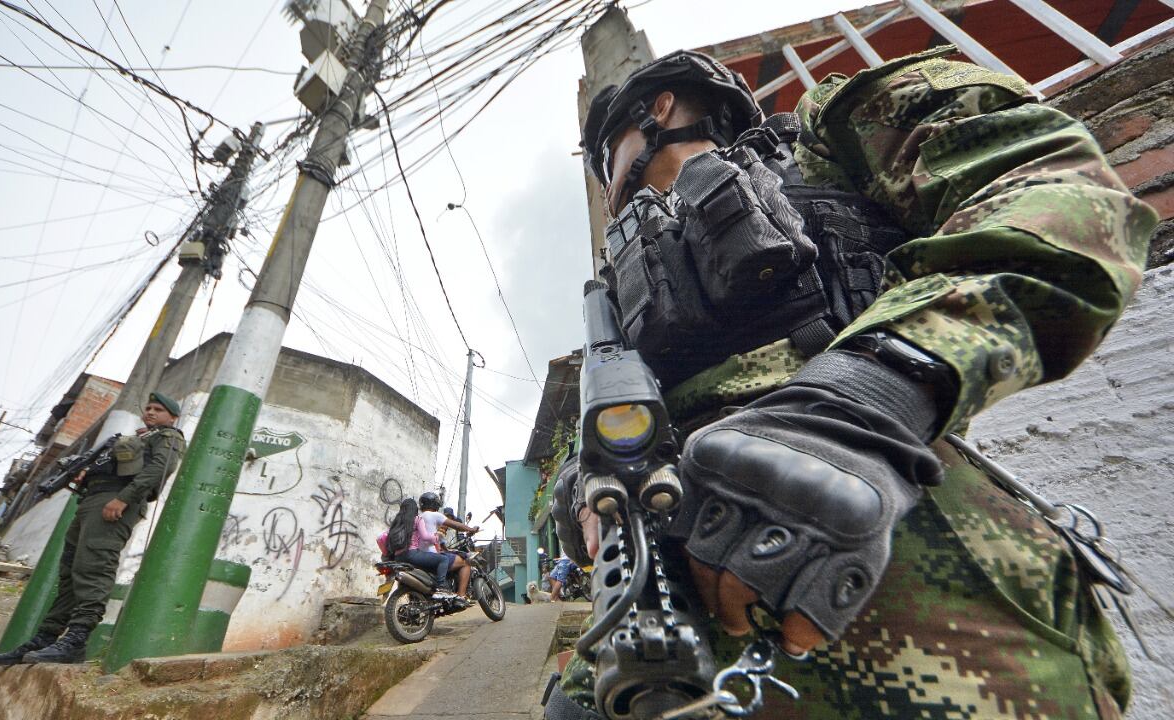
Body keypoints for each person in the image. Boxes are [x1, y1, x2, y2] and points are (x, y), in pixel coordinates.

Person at [547, 47, 1155, 719]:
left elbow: (1057, 192)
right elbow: (609, 429)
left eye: (607, 158)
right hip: (661, 601)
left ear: (658, 109)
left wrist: (871, 396)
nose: (607, 188)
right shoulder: (619, 289)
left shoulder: (817, 140)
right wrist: (584, 486)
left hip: (884, 550)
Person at [0, 392, 186, 666]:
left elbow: (158, 469)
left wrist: (123, 499)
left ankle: (77, 640)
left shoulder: (169, 437)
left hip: (114, 502)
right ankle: (46, 637)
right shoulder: (139, 437)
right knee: (71, 571)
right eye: (149, 408)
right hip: (93, 500)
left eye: (158, 410)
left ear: (173, 417)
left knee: (95, 566)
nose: (150, 412)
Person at [416, 493, 479, 600]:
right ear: (435, 504)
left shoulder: (418, 517)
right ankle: (461, 596)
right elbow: (457, 525)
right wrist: (471, 529)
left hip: (420, 556)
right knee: (466, 562)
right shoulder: (434, 515)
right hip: (432, 556)